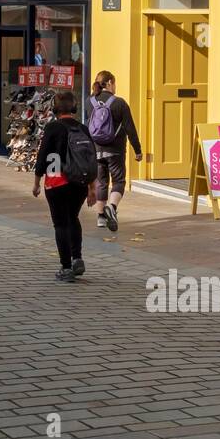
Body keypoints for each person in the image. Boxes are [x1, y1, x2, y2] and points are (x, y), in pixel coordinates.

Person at [33, 90, 97, 283]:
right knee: (73, 218)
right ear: (74, 108)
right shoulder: (83, 129)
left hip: (56, 182)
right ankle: (77, 258)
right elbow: (90, 158)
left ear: (54, 109)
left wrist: (36, 182)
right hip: (79, 182)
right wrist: (92, 187)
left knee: (60, 224)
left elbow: (42, 156)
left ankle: (66, 267)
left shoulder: (53, 128)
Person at [86, 70, 142, 233]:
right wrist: (137, 150)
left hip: (95, 149)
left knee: (101, 181)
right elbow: (130, 128)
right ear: (110, 83)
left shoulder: (89, 101)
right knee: (118, 181)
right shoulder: (119, 103)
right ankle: (112, 206)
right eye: (114, 83)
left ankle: (101, 217)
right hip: (115, 150)